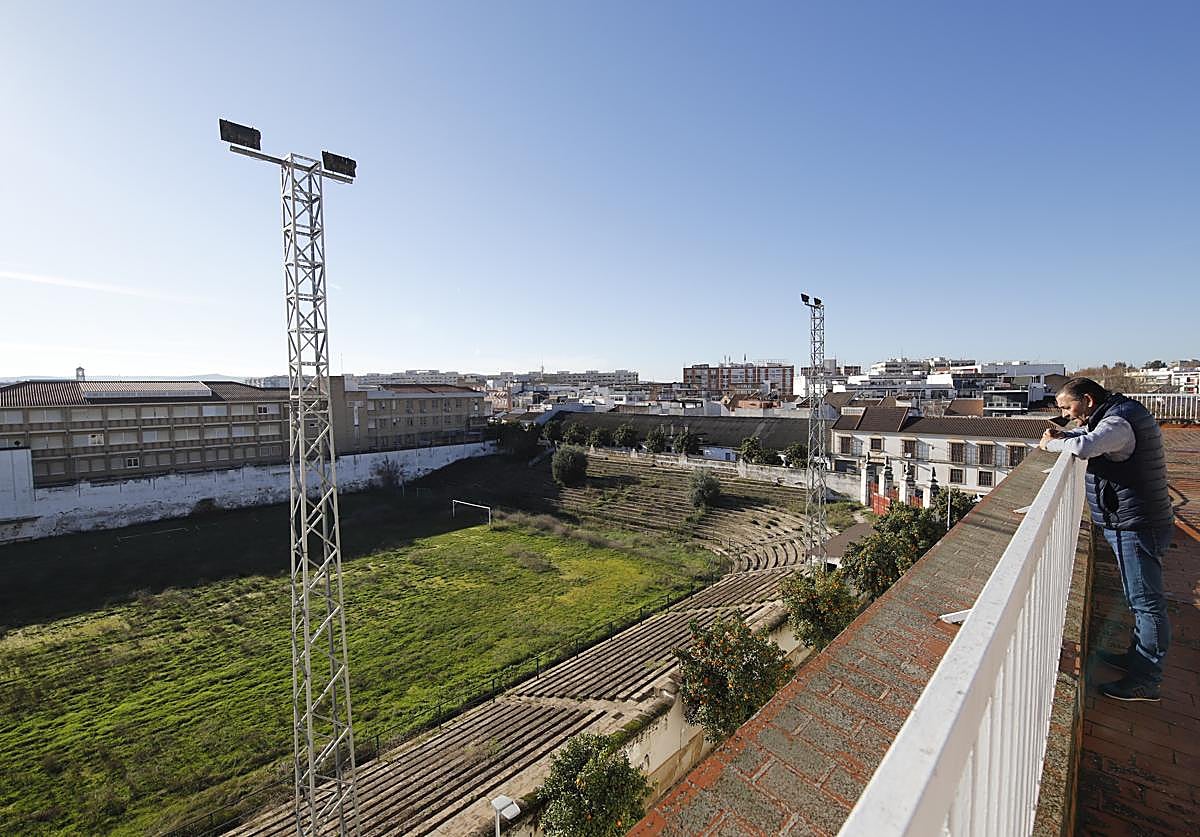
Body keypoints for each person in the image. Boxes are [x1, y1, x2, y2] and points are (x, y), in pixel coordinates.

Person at [1039, 377, 1174, 702]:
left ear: (1087, 399)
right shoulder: (1117, 415)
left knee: (1146, 603)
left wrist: (1050, 444)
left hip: (1138, 524)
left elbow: (1086, 446)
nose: (1067, 415)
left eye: (1067, 408)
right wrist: (1066, 434)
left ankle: (1146, 679)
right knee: (1139, 598)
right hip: (1135, 520)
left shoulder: (1117, 422)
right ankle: (1138, 659)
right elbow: (1087, 436)